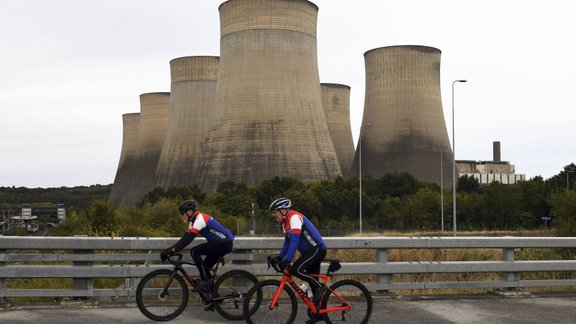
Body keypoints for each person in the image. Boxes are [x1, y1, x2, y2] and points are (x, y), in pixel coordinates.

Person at [160, 200, 234, 292]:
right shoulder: (193, 221)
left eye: (182, 213)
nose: (180, 216)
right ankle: (213, 297)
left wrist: (172, 251)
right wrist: (170, 249)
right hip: (220, 244)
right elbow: (185, 237)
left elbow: (189, 238)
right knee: (206, 266)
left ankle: (205, 280)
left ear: (189, 212)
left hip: (224, 243)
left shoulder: (200, 219)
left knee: (195, 251)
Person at [268, 197, 327, 305]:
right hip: (310, 253)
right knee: (314, 289)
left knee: (296, 269)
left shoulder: (294, 217)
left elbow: (295, 239)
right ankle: (319, 314)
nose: (274, 215)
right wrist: (279, 257)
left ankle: (320, 287)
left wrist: (288, 259)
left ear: (283, 210)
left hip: (317, 249)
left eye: (275, 212)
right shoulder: (285, 223)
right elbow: (287, 242)